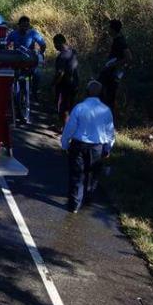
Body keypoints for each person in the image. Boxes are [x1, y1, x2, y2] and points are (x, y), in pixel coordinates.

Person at [61, 81, 116, 212]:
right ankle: (88, 200)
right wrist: (108, 147)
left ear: (86, 92)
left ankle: (74, 204)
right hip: (97, 147)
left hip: (78, 145)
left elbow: (70, 128)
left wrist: (64, 143)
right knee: (92, 174)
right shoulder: (106, 110)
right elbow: (110, 131)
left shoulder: (79, 107)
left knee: (77, 175)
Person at [6, 16, 47, 97]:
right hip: (16, 60)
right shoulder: (13, 34)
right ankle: (10, 93)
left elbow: (43, 44)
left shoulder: (33, 33)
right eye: (23, 26)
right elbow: (6, 44)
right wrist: (7, 52)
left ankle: (34, 92)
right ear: (19, 25)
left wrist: (40, 54)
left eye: (27, 26)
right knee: (10, 75)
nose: (25, 28)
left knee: (37, 74)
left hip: (30, 60)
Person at [98, 19, 132, 114]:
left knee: (109, 96)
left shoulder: (120, 41)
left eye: (109, 28)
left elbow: (129, 57)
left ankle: (110, 119)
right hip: (110, 72)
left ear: (113, 29)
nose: (108, 30)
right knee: (105, 95)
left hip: (113, 74)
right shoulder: (117, 40)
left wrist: (113, 64)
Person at [53, 34, 80, 133]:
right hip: (75, 83)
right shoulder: (73, 52)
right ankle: (63, 127)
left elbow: (60, 73)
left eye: (55, 44)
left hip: (65, 85)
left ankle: (65, 130)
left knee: (63, 108)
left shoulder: (62, 56)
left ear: (59, 43)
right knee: (69, 107)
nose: (55, 46)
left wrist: (54, 84)